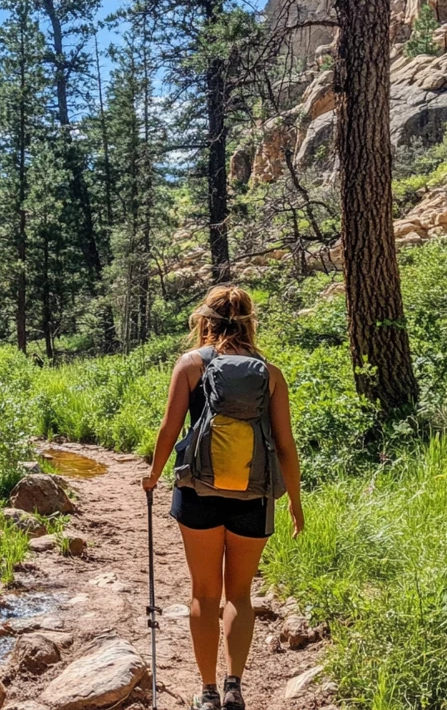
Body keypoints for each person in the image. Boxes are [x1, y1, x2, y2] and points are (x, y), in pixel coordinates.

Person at [142, 285, 304, 710]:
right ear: (250, 321)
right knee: (240, 595)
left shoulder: (191, 365)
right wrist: (295, 501)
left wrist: (154, 474)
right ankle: (235, 686)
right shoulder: (270, 373)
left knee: (204, 594)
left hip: (198, 492)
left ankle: (208, 691)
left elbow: (169, 429)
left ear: (206, 321)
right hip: (254, 494)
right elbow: (285, 445)